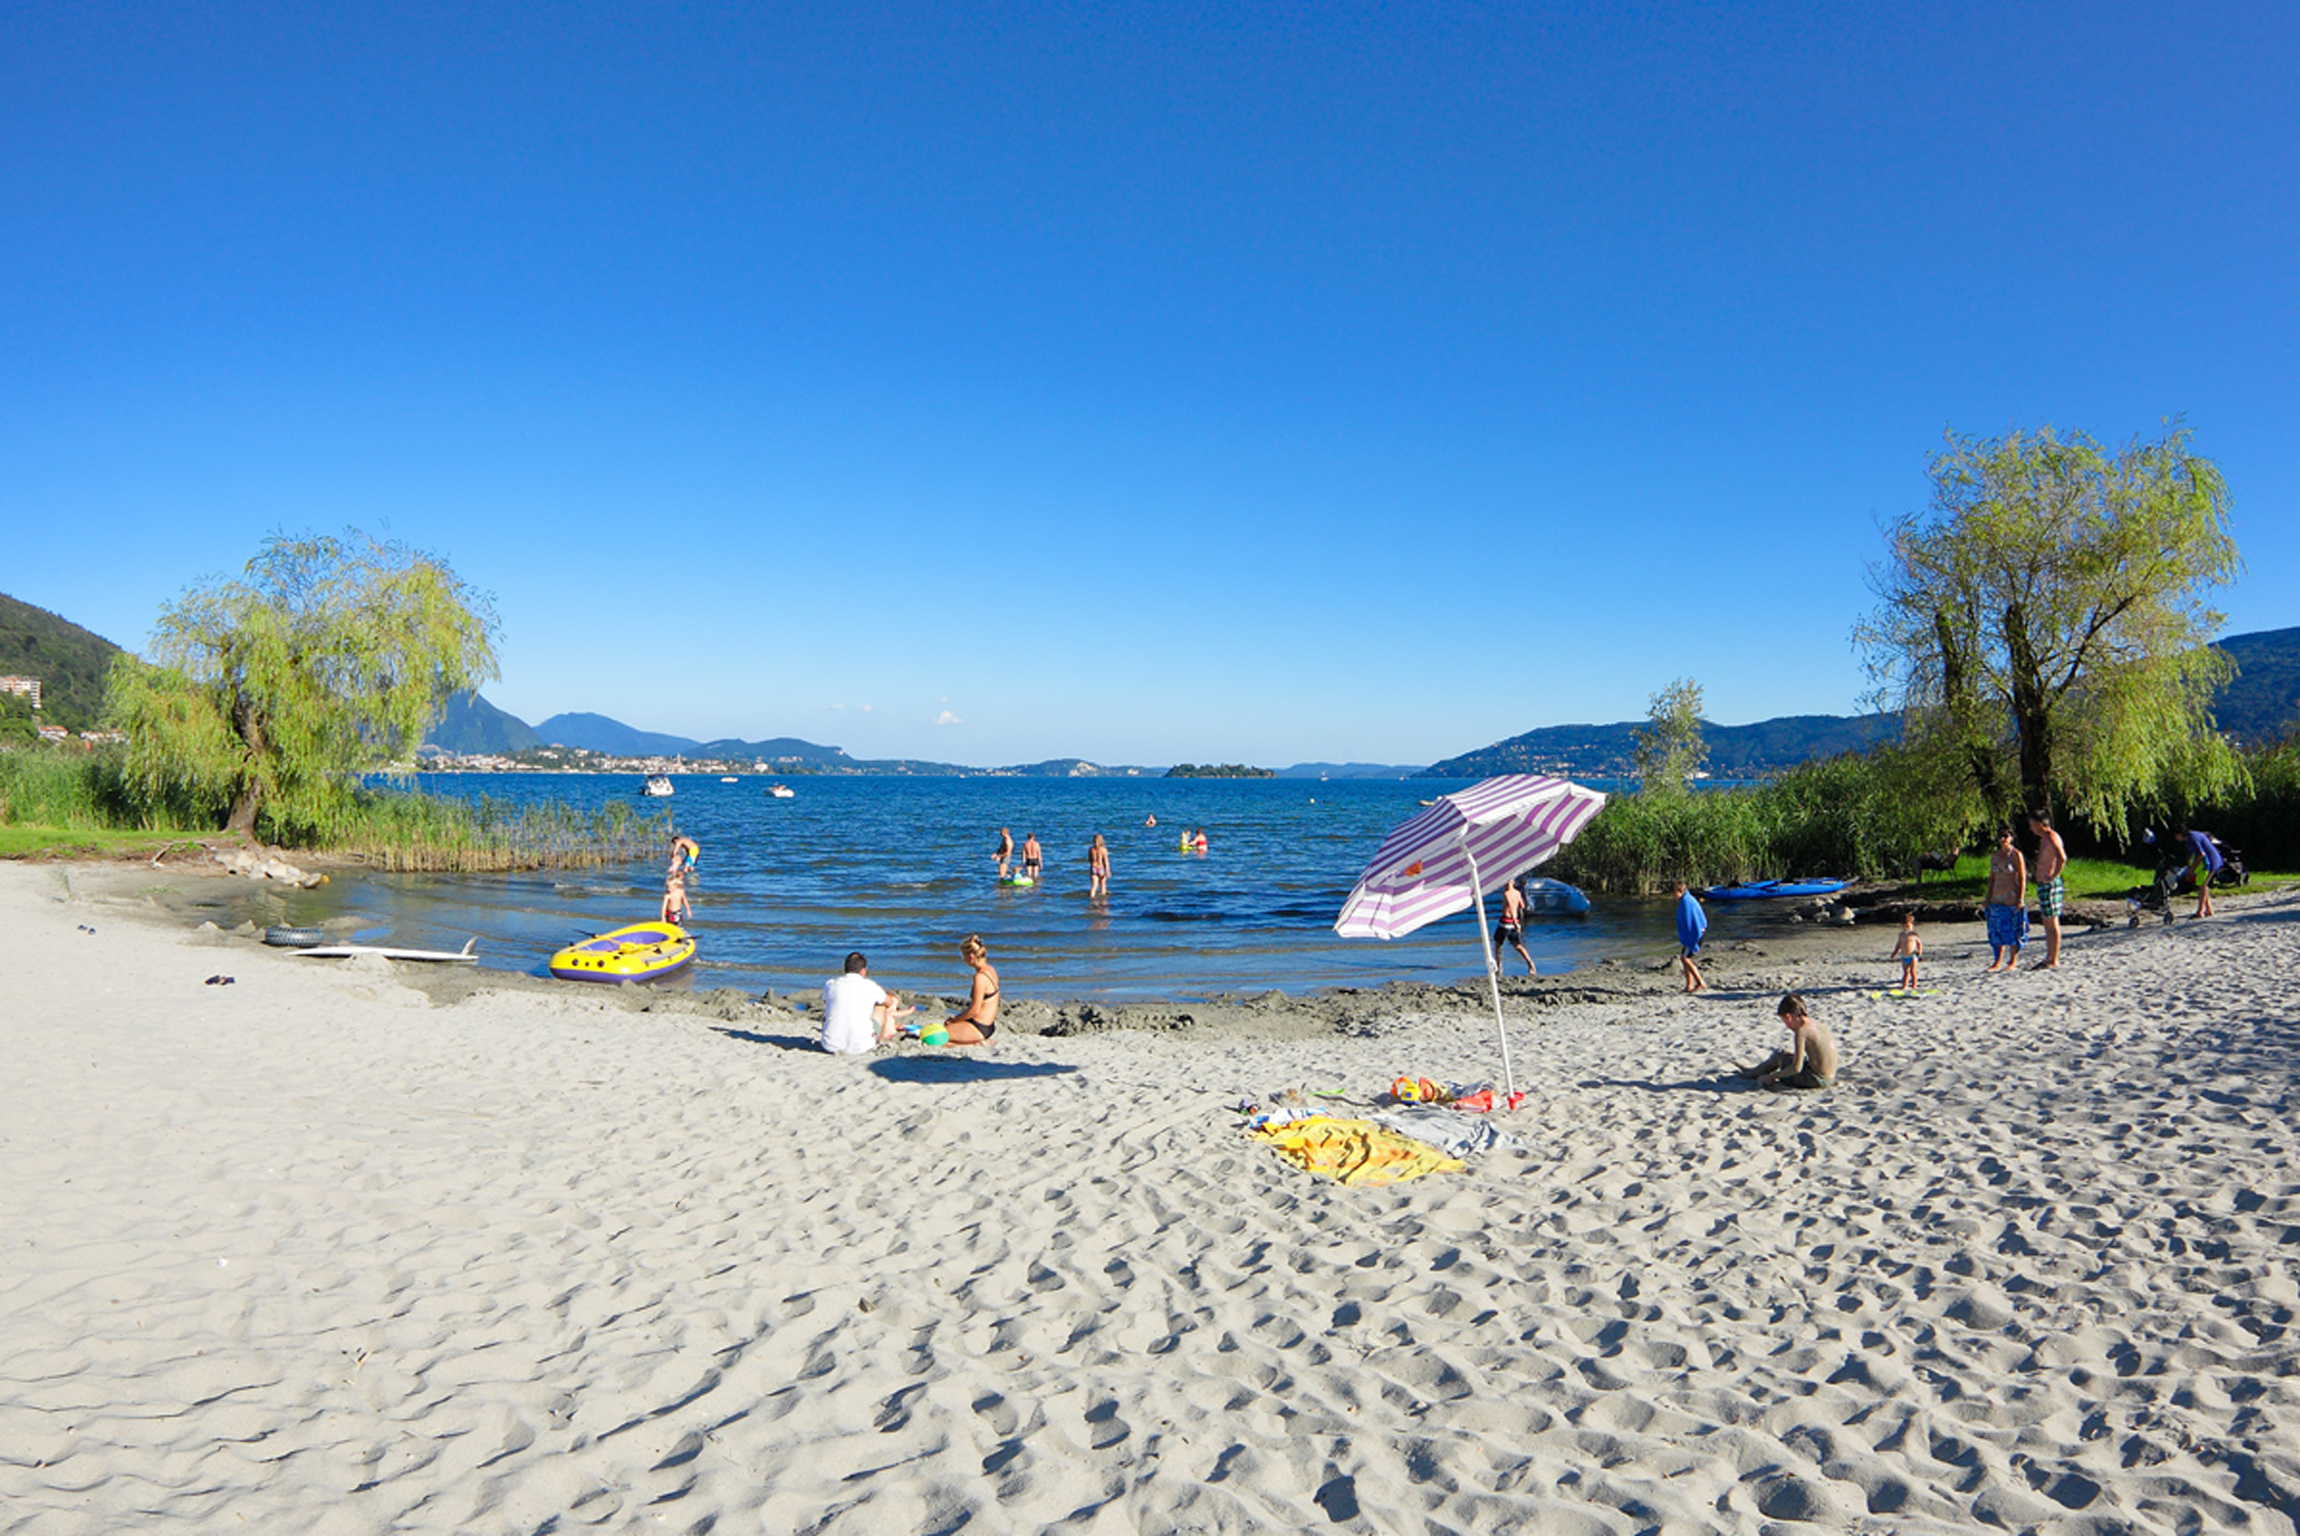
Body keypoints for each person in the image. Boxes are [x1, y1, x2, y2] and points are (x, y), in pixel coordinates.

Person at [1740, 992, 1838, 1090]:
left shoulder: (1802, 1031)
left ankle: (1752, 1074)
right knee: (1785, 1056)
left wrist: (1772, 1077)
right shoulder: (1820, 1026)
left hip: (1816, 1080)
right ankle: (1754, 1072)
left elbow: (1796, 1068)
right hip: (1830, 1077)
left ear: (1788, 1017)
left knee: (1780, 1055)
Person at [819, 951, 910, 1055]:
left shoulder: (831, 985)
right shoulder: (870, 986)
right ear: (863, 971)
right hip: (862, 1047)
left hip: (829, 1045)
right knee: (881, 1006)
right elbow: (889, 1002)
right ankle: (882, 1038)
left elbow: (825, 1001)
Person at [1982, 825, 2028, 972]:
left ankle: (2012, 961)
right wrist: (1987, 897)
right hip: (1996, 896)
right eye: (2000, 836)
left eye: (2006, 836)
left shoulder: (2016, 855)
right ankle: (1997, 961)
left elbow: (2022, 877)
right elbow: (1992, 878)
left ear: (2011, 837)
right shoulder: (1995, 856)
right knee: (1996, 930)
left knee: (2013, 930)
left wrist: (2020, 898)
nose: (2003, 839)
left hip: (2011, 896)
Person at [942, 934, 1001, 1046]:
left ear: (971, 957)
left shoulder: (980, 977)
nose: (964, 960)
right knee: (947, 1030)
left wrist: (956, 1019)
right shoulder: (990, 970)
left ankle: (975, 1042)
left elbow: (975, 1009)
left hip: (979, 1027)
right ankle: (974, 1041)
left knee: (938, 1037)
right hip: (988, 1024)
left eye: (963, 956)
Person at [2027, 809, 2068, 968]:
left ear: (2039, 824)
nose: (2030, 828)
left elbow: (2062, 857)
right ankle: (2049, 956)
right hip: (2043, 884)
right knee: (2046, 921)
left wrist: (2053, 875)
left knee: (2052, 921)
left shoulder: (2051, 837)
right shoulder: (2044, 838)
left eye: (2032, 824)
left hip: (2050, 884)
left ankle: (2054, 958)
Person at [1494, 878, 1536, 976]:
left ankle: (1499, 967)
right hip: (1514, 922)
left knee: (1497, 945)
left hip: (1506, 922)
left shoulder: (1506, 894)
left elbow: (1511, 909)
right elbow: (1522, 906)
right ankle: (1530, 964)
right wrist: (1517, 921)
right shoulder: (1517, 893)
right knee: (1517, 945)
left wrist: (1514, 921)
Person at [2179, 826, 2224, 919]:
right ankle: (2208, 910)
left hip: (2210, 862)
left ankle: (2200, 911)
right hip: (2205, 863)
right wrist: (2189, 868)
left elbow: (2201, 855)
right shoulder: (2189, 838)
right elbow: (2190, 855)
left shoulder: (2192, 838)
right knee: (2203, 885)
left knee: (2202, 885)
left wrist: (2192, 869)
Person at [1673, 879, 1707, 993]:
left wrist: (1691, 939)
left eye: (1674, 893)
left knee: (1685, 958)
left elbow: (1690, 922)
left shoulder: (1687, 902)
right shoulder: (1687, 899)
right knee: (1684, 958)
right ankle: (1689, 984)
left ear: (1680, 891)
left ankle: (1700, 982)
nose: (1673, 896)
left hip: (1694, 936)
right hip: (1693, 935)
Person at [1890, 912, 1923, 990]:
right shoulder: (1901, 935)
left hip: (1913, 955)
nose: (1907, 928)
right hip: (1904, 956)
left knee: (1913, 971)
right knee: (1905, 972)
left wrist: (1919, 952)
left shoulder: (1914, 934)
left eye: (1909, 926)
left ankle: (1914, 985)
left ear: (1912, 925)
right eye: (1905, 926)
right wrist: (1894, 953)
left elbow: (1919, 943)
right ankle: (1904, 985)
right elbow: (1898, 944)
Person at [1088, 833, 1111, 900]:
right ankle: (1103, 901)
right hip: (1101, 868)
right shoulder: (1103, 849)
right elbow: (1106, 861)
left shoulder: (1091, 849)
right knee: (1103, 886)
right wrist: (1107, 870)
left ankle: (1091, 899)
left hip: (1093, 867)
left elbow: (1090, 859)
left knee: (1094, 886)